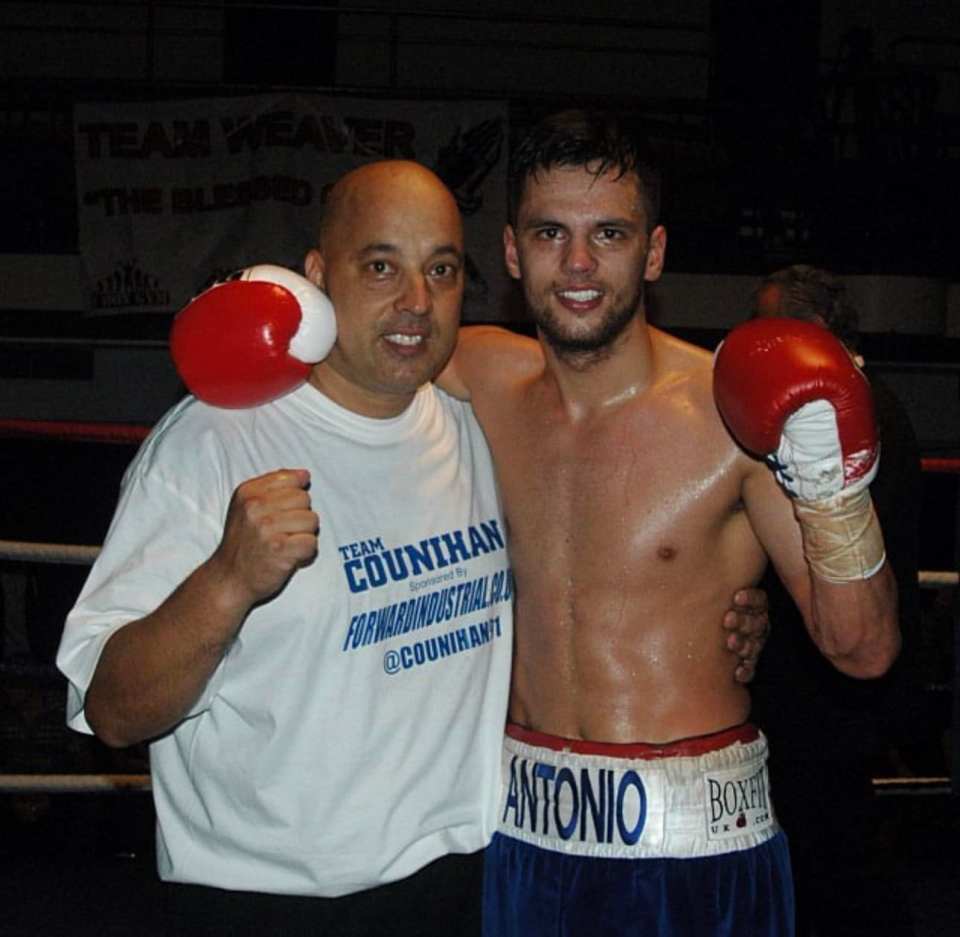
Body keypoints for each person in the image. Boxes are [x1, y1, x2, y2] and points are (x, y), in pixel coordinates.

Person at [55, 158, 768, 937]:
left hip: (461, 888)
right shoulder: (214, 442)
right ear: (319, 276)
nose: (416, 302)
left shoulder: (479, 425)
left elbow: (591, 563)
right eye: (382, 266)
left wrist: (714, 612)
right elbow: (114, 710)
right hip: (259, 902)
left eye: (440, 269)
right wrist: (225, 582)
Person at [436, 111, 901, 937]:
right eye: (551, 233)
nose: (578, 265)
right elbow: (358, 343)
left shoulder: (726, 413)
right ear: (511, 251)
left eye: (608, 234)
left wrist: (835, 492)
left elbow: (862, 649)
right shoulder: (479, 372)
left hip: (696, 854)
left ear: (652, 252)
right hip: (525, 833)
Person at [750, 264, 923, 937]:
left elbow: (844, 556)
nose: (756, 343)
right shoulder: (856, 402)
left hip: (830, 676)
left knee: (838, 865)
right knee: (824, 853)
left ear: (812, 331)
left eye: (771, 328)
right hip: (814, 676)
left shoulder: (855, 410)